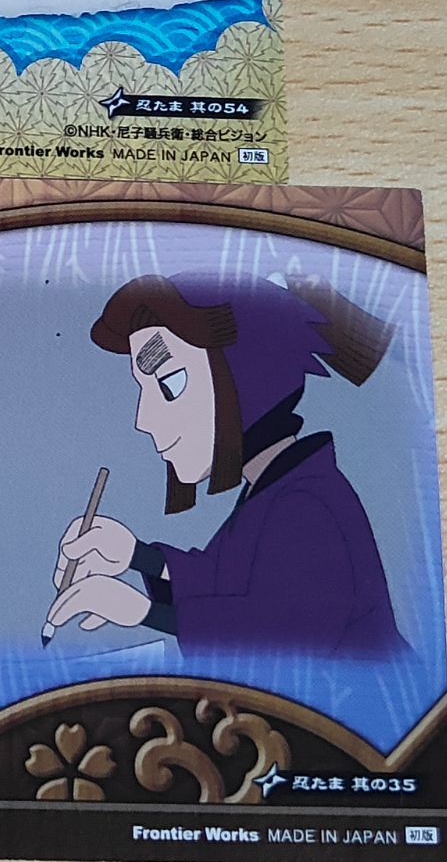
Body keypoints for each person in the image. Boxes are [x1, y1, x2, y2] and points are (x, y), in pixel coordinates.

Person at [48, 273, 407, 659]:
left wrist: (142, 611)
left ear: (246, 375)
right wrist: (135, 555)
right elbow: (224, 578)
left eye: (169, 384)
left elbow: (280, 633)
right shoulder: (273, 489)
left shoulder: (306, 505)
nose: (143, 418)